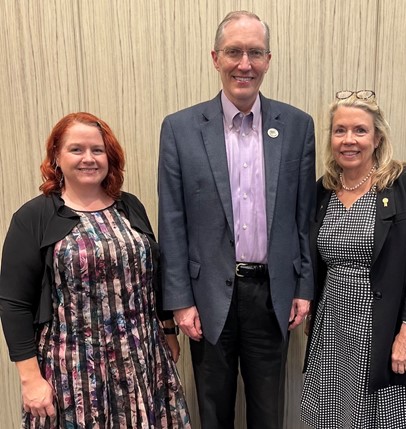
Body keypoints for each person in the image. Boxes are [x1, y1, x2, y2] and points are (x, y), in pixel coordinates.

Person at [158, 10, 316, 429]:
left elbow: (303, 216)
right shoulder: (180, 128)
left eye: (255, 53)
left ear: (268, 59)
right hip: (207, 297)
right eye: (233, 52)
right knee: (213, 410)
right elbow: (172, 219)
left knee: (269, 411)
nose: (244, 64)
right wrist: (179, 301)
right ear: (215, 57)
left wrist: (303, 285)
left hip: (272, 295)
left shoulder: (298, 126)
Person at [0, 112, 191, 428]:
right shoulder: (35, 217)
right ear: (57, 157)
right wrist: (30, 379)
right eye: (76, 149)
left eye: (97, 150)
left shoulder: (129, 206)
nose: (88, 158)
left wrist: (168, 329)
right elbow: (14, 303)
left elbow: (153, 276)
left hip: (144, 359)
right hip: (75, 371)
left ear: (109, 157)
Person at [300, 90, 406, 428]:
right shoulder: (322, 190)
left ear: (377, 136)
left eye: (359, 130)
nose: (348, 140)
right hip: (334, 330)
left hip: (387, 327)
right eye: (340, 130)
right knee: (337, 419)